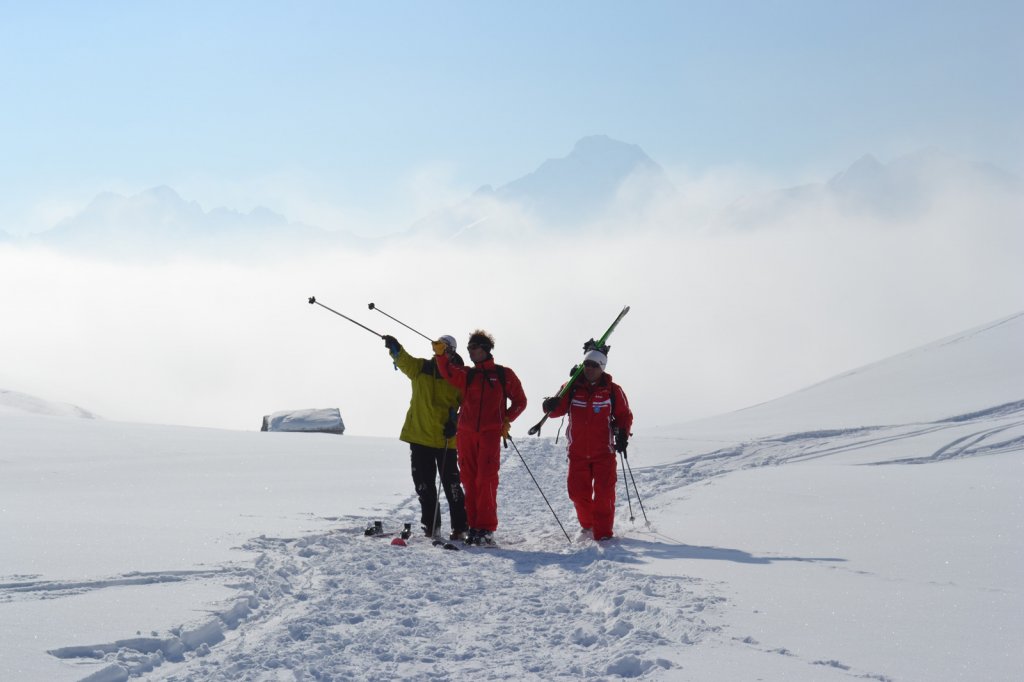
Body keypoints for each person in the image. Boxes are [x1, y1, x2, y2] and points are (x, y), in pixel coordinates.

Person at [435, 330, 527, 545]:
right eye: (468, 349)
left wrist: (505, 420)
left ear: (485, 349)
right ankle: (473, 526)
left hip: (489, 435)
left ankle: (485, 528)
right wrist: (440, 355)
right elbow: (448, 372)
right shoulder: (468, 374)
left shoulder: (504, 374)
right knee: (468, 479)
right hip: (465, 434)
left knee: (485, 480)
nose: (470, 352)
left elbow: (520, 401)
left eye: (474, 348)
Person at [383, 333, 468, 541]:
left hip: (445, 439)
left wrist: (455, 422)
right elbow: (405, 361)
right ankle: (431, 526)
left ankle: (460, 527)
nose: (439, 349)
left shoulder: (459, 376)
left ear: (451, 351)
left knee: (452, 485)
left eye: (443, 347)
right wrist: (395, 348)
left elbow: (468, 405)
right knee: (424, 486)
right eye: (437, 346)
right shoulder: (421, 368)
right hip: (420, 437)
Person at [542, 348, 633, 541]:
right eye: (586, 364)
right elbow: (556, 410)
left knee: (604, 496)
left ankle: (604, 535)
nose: (589, 368)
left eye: (594, 365)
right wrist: (549, 405)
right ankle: (588, 525)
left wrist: (623, 434)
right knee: (577, 495)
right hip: (578, 453)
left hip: (604, 453)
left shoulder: (612, 390)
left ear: (602, 368)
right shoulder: (572, 387)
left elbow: (624, 415)